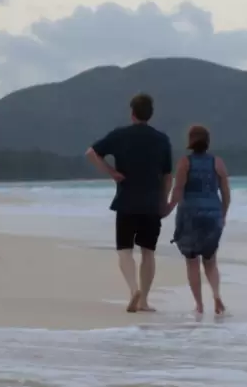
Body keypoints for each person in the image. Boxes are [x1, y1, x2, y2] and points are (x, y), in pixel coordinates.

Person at [85, 93, 173, 313]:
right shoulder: (162, 139)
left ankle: (134, 289)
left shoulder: (120, 135)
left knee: (124, 250)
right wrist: (165, 201)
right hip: (152, 203)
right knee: (148, 252)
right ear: (150, 115)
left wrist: (111, 172)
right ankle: (143, 300)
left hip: (126, 201)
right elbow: (167, 175)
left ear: (132, 113)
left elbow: (91, 153)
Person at [164, 125, 231, 316]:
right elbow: (226, 192)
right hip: (212, 215)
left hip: (190, 215)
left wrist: (169, 207)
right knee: (210, 260)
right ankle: (216, 296)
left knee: (192, 261)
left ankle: (199, 305)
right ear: (207, 141)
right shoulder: (217, 162)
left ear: (190, 141)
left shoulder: (185, 163)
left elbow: (178, 189)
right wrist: (223, 214)